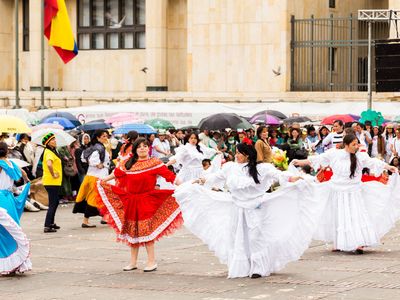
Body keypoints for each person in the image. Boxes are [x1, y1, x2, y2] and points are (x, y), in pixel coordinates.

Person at [174, 142, 324, 279]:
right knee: (238, 237)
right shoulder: (230, 167)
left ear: (247, 155)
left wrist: (294, 178)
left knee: (255, 237)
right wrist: (199, 181)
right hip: (237, 208)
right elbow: (215, 177)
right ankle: (242, 267)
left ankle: (258, 267)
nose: (236, 155)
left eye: (239, 153)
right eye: (236, 153)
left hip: (256, 207)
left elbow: (278, 175)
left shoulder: (261, 168)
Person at [294, 134, 400, 254]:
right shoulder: (334, 153)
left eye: (357, 144)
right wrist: (300, 162)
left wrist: (388, 166)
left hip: (354, 191)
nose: (356, 147)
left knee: (356, 216)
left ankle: (359, 242)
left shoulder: (360, 156)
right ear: (346, 145)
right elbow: (316, 159)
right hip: (336, 190)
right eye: (353, 144)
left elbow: (372, 162)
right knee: (339, 216)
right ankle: (339, 242)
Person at [96, 138, 183, 272]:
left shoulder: (154, 163)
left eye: (145, 146)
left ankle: (151, 261)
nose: (142, 148)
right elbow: (117, 174)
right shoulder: (128, 163)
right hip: (131, 200)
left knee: (146, 230)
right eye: (139, 147)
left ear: (149, 148)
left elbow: (170, 176)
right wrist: (103, 180)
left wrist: (184, 186)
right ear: (135, 149)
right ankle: (133, 262)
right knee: (132, 230)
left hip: (147, 200)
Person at [0, 142, 32, 275]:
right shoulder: (12, 164)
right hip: (9, 200)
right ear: (7, 151)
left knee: (3, 233)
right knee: (12, 229)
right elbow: (23, 176)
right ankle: (16, 263)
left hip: (1, 199)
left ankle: (6, 264)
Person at [74, 130, 110, 228]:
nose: (106, 138)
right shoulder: (99, 147)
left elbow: (83, 158)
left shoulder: (95, 147)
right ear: (98, 138)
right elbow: (92, 160)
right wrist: (99, 164)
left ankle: (104, 217)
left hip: (93, 175)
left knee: (101, 198)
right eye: (103, 136)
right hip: (97, 177)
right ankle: (86, 221)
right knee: (93, 199)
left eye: (106, 136)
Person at [42, 133, 63, 233]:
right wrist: (53, 174)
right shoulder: (49, 152)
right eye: (52, 140)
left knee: (55, 202)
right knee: (53, 203)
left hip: (53, 182)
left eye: (54, 139)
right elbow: (49, 164)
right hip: (51, 181)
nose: (54, 141)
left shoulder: (52, 151)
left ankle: (51, 223)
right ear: (47, 143)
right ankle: (47, 225)